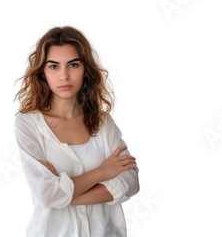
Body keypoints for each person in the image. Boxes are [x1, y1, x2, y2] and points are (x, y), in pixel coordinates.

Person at [14, 26, 140, 237]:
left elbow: (131, 181)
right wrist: (103, 172)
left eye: (73, 65)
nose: (64, 75)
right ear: (43, 73)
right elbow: (46, 194)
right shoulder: (28, 124)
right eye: (54, 66)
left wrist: (63, 196)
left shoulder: (103, 122)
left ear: (85, 70)